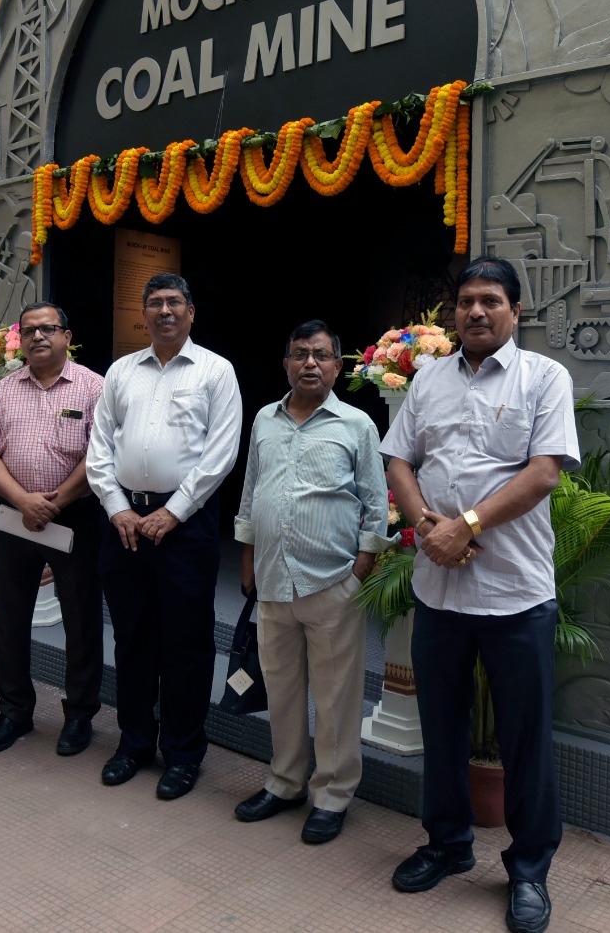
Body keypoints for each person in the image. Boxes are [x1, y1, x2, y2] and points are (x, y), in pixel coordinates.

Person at [380, 256, 581, 933]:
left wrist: (464, 524)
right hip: (439, 590)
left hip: (515, 592)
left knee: (525, 736)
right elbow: (399, 458)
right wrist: (423, 524)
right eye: (465, 300)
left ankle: (528, 869)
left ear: (515, 311)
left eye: (490, 300)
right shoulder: (429, 378)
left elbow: (544, 472)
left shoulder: (543, 378)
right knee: (441, 726)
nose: (475, 311)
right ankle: (447, 843)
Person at [86, 272, 242, 800]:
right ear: (144, 313)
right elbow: (100, 446)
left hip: (186, 527)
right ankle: (133, 744)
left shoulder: (216, 371)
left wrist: (173, 512)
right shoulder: (121, 371)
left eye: (175, 302)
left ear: (191, 312)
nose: (165, 311)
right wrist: (117, 507)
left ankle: (183, 752)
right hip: (125, 525)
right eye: (155, 303)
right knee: (131, 639)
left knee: (186, 643)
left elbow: (220, 453)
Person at [232, 319, 389, 844]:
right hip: (273, 579)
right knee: (281, 691)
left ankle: (333, 794)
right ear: (286, 364)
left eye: (320, 355)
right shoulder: (264, 419)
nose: (310, 364)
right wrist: (249, 558)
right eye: (300, 354)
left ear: (338, 366)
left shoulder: (357, 425)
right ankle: (285, 783)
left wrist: (360, 571)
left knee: (336, 697)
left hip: (332, 582)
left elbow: (376, 504)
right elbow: (251, 492)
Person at [0, 302, 106, 757]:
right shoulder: (4, 389)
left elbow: (100, 454)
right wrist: (23, 501)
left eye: (48, 328)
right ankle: (14, 712)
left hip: (75, 517)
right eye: (29, 330)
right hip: (16, 516)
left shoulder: (93, 387)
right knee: (10, 618)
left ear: (67, 336)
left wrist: (55, 503)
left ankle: (80, 715)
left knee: (81, 621)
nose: (38, 336)